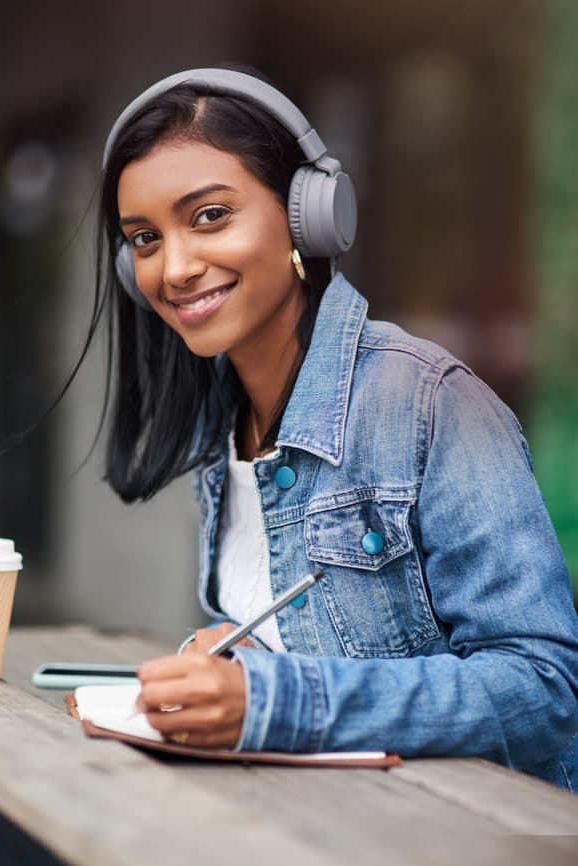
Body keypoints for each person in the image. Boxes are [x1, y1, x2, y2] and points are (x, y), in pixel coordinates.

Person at [91, 66, 578, 790]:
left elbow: (542, 693)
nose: (175, 267)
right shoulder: (221, 416)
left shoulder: (430, 401)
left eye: (209, 216)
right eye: (144, 238)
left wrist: (280, 700)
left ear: (304, 216)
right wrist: (241, 661)